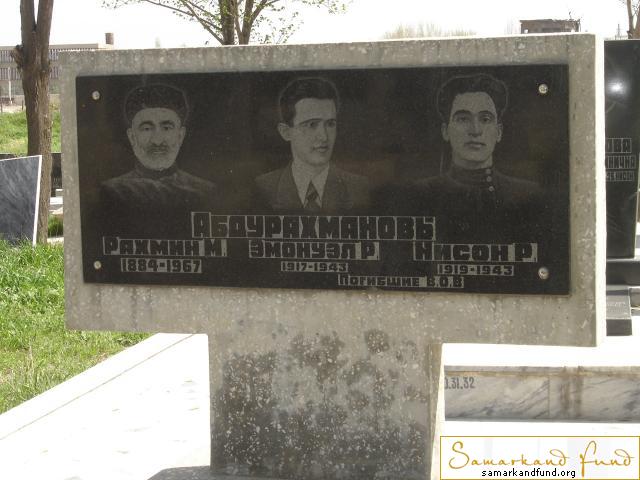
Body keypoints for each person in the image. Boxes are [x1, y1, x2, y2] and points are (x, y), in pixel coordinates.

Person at [409, 73, 545, 240]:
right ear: (445, 131)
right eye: (463, 119)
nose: (475, 130)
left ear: (499, 132)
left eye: (485, 119)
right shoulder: (420, 195)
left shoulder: (528, 194)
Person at [101, 83, 217, 235]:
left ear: (180, 136)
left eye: (167, 128)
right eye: (147, 128)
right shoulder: (110, 192)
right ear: (132, 137)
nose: (157, 140)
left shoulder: (205, 191)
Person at [253, 77, 369, 214]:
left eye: (330, 124)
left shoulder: (359, 188)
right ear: (286, 132)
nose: (324, 136)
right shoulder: (263, 189)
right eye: (312, 124)